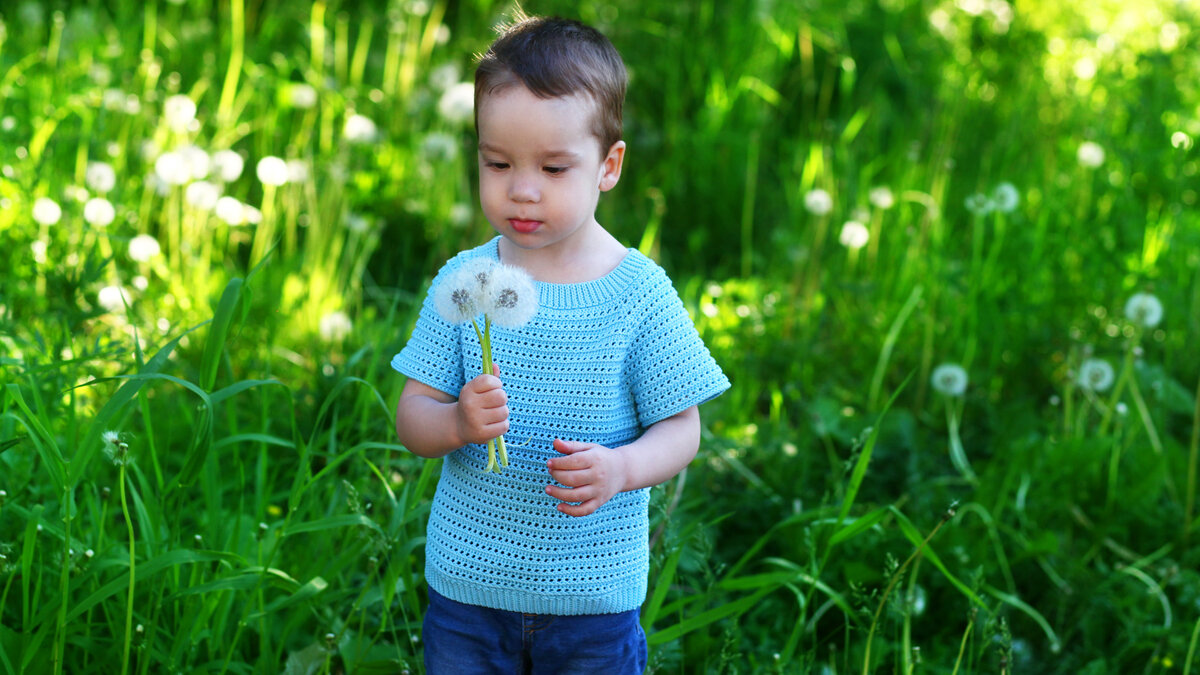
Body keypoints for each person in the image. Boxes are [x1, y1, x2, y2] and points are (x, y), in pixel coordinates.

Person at [391, 12, 730, 673]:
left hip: (592, 602)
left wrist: (623, 469)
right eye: (497, 162)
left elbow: (683, 429)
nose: (522, 188)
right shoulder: (466, 282)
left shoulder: (637, 292)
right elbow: (411, 418)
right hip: (468, 590)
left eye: (552, 167)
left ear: (609, 166)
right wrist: (457, 420)